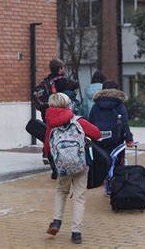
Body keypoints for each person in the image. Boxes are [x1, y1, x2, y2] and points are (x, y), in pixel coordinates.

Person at [44, 93, 100, 244]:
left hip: (63, 165)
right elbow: (97, 133)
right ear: (68, 104)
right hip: (80, 163)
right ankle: (76, 233)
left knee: (61, 191)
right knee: (79, 197)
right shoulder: (77, 120)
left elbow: (47, 148)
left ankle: (56, 221)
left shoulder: (51, 123)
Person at [89, 80, 134, 169]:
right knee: (116, 164)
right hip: (116, 141)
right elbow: (125, 124)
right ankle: (115, 179)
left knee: (100, 163)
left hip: (98, 140)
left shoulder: (95, 106)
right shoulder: (120, 106)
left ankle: (102, 179)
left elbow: (90, 122)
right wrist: (129, 139)